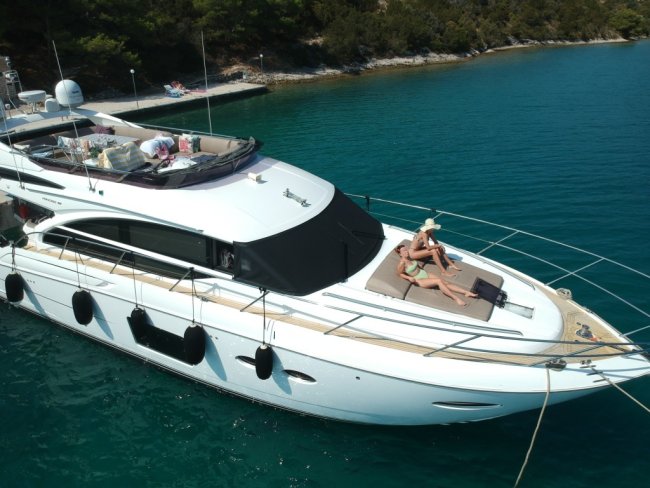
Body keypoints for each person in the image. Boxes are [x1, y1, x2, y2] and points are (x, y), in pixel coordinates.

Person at [395, 244, 476, 307]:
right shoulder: (402, 263)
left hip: (425, 273)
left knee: (445, 282)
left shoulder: (409, 257)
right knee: (439, 281)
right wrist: (409, 277)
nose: (406, 251)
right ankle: (456, 299)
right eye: (404, 251)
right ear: (400, 254)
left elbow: (416, 265)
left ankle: (466, 292)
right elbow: (400, 273)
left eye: (406, 249)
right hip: (419, 280)